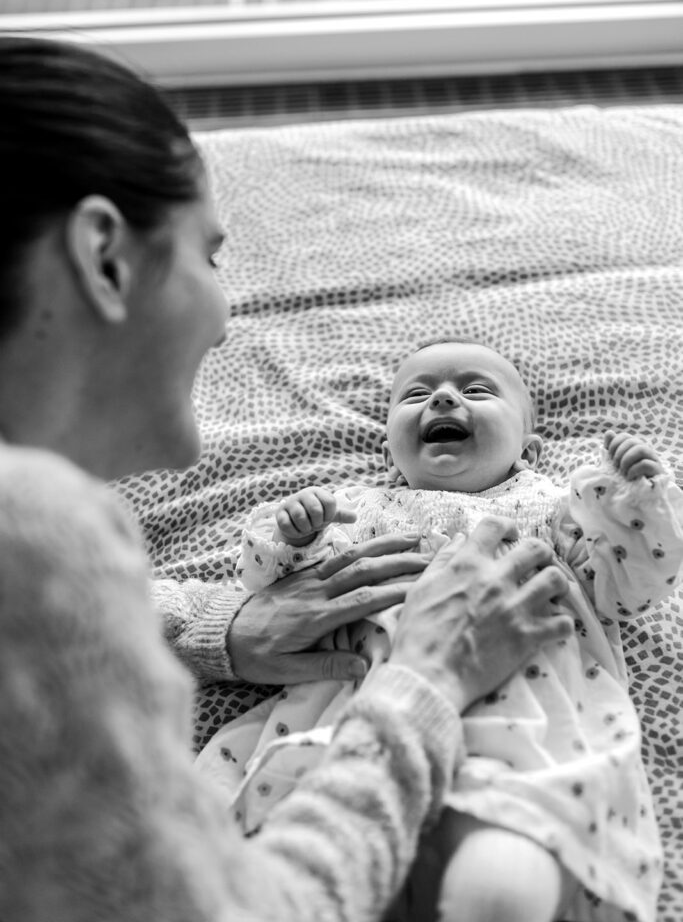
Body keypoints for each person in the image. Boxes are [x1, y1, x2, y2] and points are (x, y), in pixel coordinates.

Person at [0, 36, 573, 922]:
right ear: (104, 256)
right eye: (211, 257)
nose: (227, 318)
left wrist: (218, 626)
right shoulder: (40, 532)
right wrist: (424, 679)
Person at [198, 339, 683, 922]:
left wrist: (640, 503)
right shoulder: (357, 511)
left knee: (503, 878)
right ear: (387, 452)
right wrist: (296, 538)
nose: (445, 397)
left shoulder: (555, 510)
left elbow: (630, 587)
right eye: (417, 395)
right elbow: (272, 591)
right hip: (361, 707)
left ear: (527, 450)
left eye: (475, 390)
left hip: (527, 717)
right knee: (320, 850)